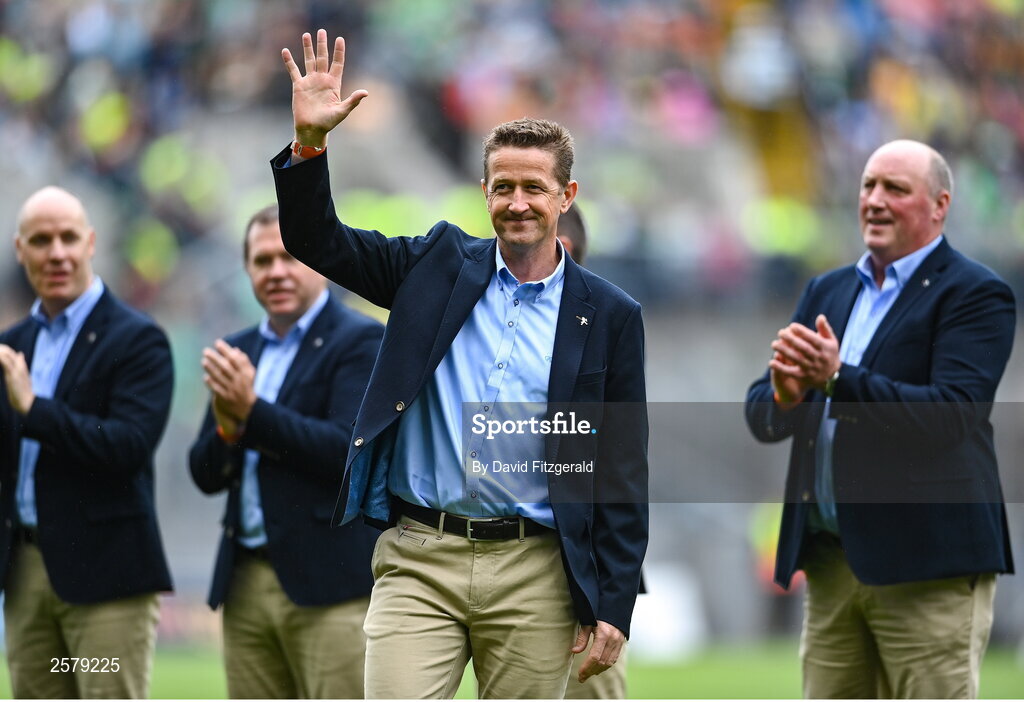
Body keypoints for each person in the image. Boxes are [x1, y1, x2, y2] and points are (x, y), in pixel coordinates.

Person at [272, 30, 648, 699]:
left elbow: (619, 467)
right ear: (484, 191)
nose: (518, 202)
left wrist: (614, 605)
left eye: (535, 187)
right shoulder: (433, 265)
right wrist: (310, 145)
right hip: (421, 559)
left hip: (535, 568)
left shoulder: (610, 315)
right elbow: (315, 240)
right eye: (503, 186)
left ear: (566, 195)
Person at [745, 140, 1015, 698]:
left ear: (939, 205)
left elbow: (950, 416)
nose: (874, 199)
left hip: (925, 567)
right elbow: (765, 415)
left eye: (895, 188)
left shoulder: (974, 293)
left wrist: (839, 379)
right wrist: (786, 394)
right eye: (868, 185)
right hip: (832, 566)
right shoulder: (829, 288)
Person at [188, 205, 384, 698]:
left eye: (288, 256)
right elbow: (204, 472)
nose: (274, 271)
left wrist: (250, 414)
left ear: (317, 262)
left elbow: (345, 452)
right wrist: (229, 431)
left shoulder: (361, 340)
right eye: (261, 261)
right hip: (245, 580)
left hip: (330, 585)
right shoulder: (237, 350)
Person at [0, 186, 174, 698]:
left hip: (105, 577)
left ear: (91, 242)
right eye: (41, 240)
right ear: (20, 250)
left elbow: (126, 446)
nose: (56, 252)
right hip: (26, 571)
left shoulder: (138, 339)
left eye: (68, 237)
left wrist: (33, 409)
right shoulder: (13, 345)